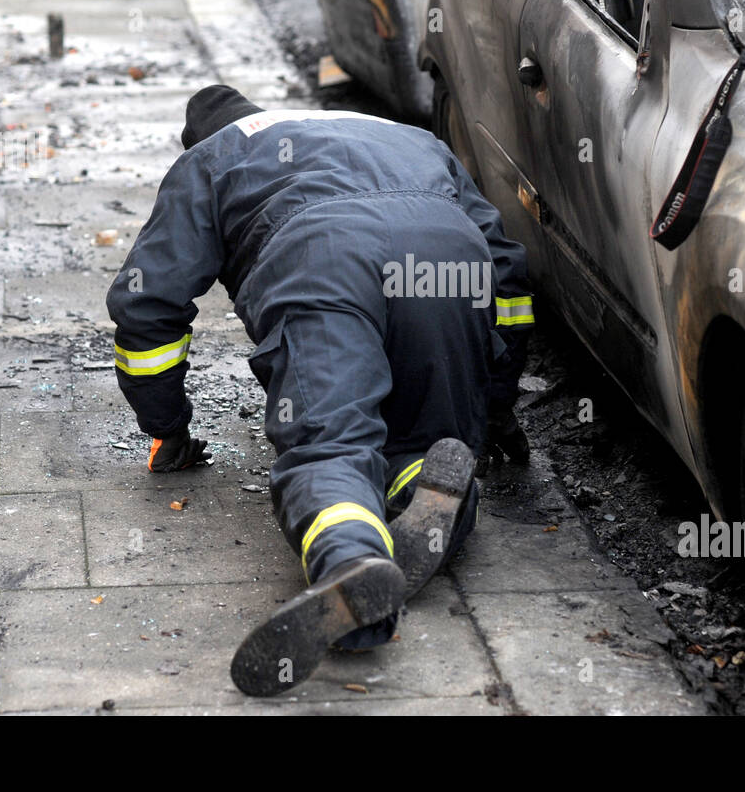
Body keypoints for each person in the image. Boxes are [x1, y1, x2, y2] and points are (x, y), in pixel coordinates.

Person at [106, 85, 533, 696]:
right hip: (447, 255)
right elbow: (509, 279)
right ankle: (434, 503)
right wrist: (495, 404)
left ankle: (349, 561)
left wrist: (167, 427)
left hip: (324, 254)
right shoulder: (405, 134)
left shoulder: (212, 157)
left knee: (330, 445)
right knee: (428, 444)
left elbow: (148, 308)